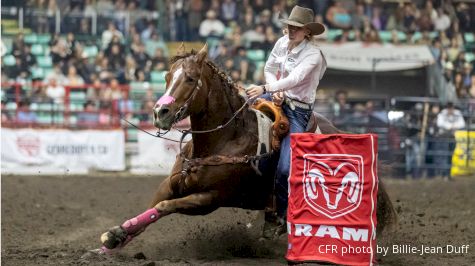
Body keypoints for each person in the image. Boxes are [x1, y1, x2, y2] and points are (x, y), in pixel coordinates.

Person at [245, 5, 327, 238]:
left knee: (284, 169)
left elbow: (296, 78)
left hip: (298, 112)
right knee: (241, 111)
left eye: (296, 28)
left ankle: (281, 215)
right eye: (290, 26)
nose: (291, 30)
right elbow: (269, 68)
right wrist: (273, 90)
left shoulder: (313, 54)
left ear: (307, 32)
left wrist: (267, 88)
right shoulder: (282, 43)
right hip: (276, 97)